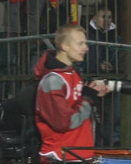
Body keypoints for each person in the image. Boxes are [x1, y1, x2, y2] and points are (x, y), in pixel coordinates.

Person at [35, 24, 110, 162]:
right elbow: (65, 122)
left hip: (77, 154)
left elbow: (74, 105)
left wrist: (91, 93)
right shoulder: (52, 81)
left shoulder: (72, 73)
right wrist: (88, 98)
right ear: (64, 46)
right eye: (80, 44)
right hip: (61, 156)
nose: (86, 48)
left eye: (85, 43)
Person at [86, 7, 120, 146]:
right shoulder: (87, 34)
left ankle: (106, 146)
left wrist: (113, 67)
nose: (107, 20)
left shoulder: (115, 36)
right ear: (94, 18)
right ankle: (91, 145)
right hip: (91, 80)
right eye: (103, 17)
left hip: (109, 81)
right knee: (90, 117)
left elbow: (121, 57)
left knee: (110, 117)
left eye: (109, 17)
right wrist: (95, 67)